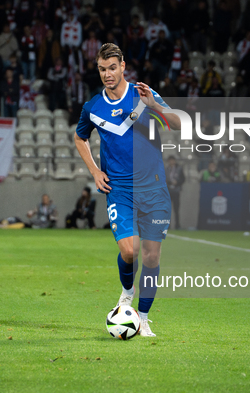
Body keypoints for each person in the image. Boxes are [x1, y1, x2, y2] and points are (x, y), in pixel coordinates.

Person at [74, 43, 181, 337]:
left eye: (112, 68)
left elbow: (179, 123)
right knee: (129, 250)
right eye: (102, 69)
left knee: (151, 257)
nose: (107, 74)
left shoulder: (142, 94)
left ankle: (143, 318)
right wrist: (95, 171)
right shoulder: (93, 107)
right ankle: (126, 293)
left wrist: (155, 106)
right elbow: (79, 138)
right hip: (119, 187)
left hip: (154, 187)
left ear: (123, 67)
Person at [165, 156, 185, 229]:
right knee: (168, 209)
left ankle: (177, 225)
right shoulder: (166, 169)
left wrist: (177, 182)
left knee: (176, 209)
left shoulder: (179, 169)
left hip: (176, 190)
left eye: (172, 160)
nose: (171, 162)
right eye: (170, 160)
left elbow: (183, 179)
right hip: (168, 191)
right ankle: (168, 225)